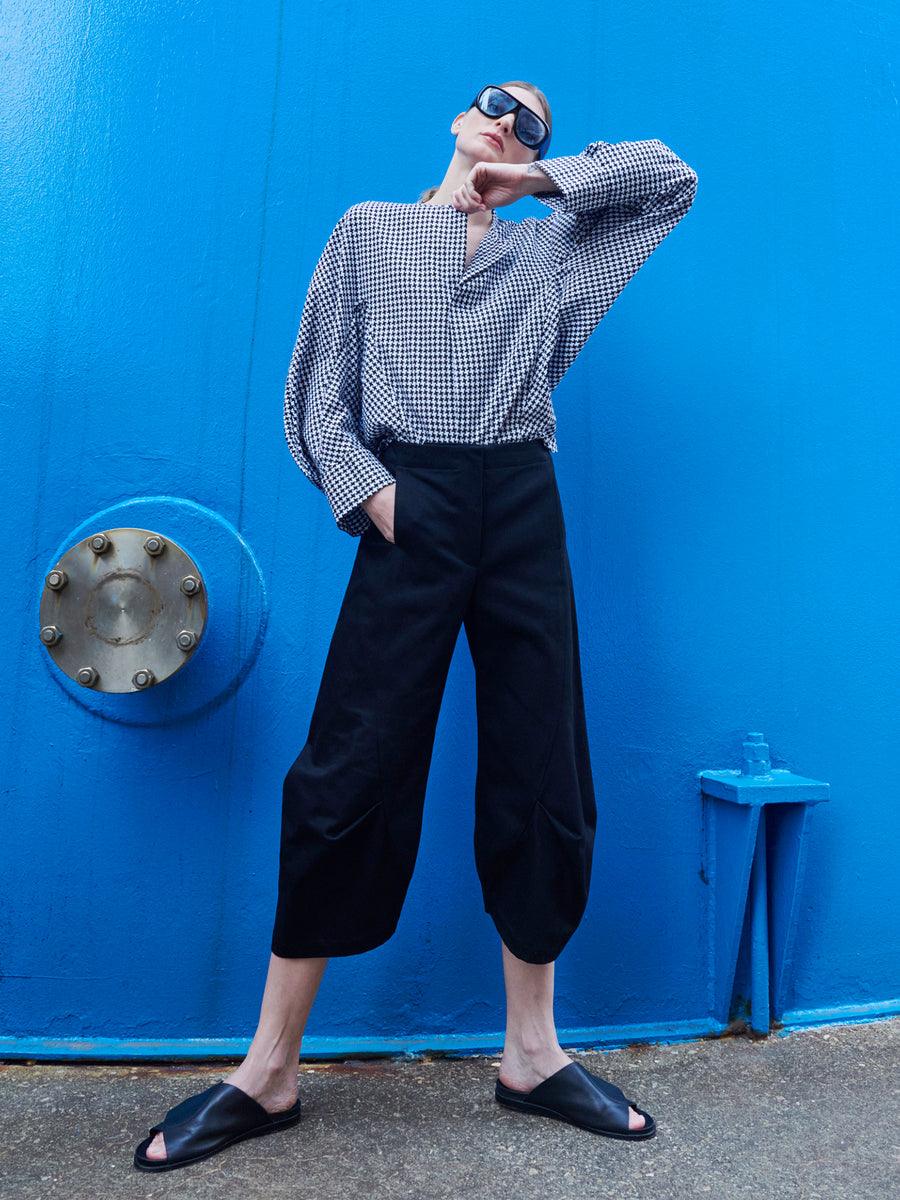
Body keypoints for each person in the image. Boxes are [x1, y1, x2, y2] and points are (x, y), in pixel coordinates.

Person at [134, 80, 697, 1173]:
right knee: (349, 766)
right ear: (455, 115)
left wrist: (537, 179)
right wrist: (385, 502)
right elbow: (315, 398)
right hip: (415, 502)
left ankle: (532, 1053)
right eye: (495, 106)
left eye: (531, 120)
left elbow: (672, 179)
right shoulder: (371, 231)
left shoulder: (554, 250)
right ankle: (269, 1072)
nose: (507, 122)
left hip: (523, 510)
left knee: (546, 770)